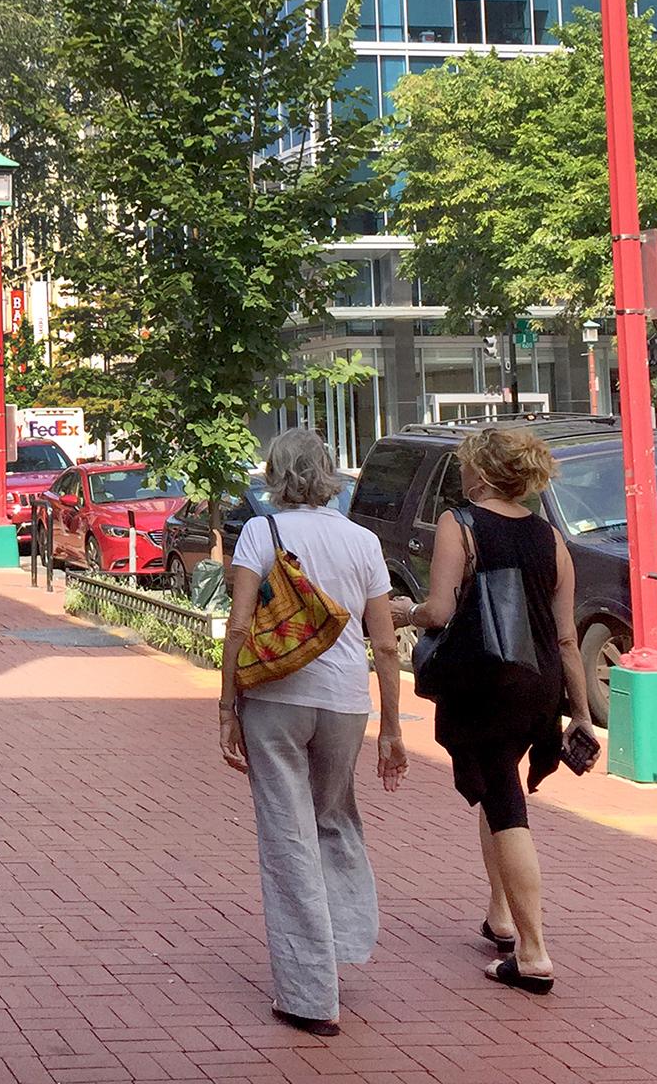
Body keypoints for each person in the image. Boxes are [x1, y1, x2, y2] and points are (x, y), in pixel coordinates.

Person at [391, 426, 594, 997]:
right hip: (539, 686)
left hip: (488, 681)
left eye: (464, 466)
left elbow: (438, 610)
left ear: (480, 472)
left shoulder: (462, 523)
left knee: (506, 803)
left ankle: (533, 953)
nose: (460, 474)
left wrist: (399, 611)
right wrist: (578, 712)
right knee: (496, 780)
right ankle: (500, 919)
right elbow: (565, 639)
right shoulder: (551, 538)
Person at [219, 428, 408, 1038]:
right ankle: (344, 942)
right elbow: (384, 642)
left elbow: (241, 625)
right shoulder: (363, 540)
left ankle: (308, 994)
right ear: (327, 474)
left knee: (287, 835)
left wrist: (227, 706)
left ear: (277, 472)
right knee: (335, 819)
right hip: (346, 702)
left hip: (276, 697)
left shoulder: (260, 533)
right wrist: (392, 727)